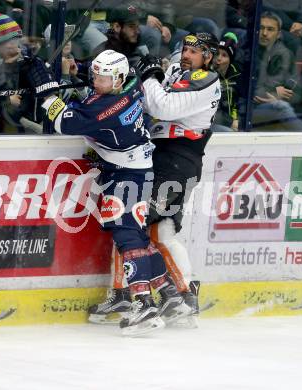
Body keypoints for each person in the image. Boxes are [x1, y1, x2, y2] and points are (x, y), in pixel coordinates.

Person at [26, 49, 192, 336]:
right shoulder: (129, 87)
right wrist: (72, 79)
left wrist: (47, 94)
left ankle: (143, 304)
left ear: (118, 79)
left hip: (127, 175)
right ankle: (168, 293)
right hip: (132, 169)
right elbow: (89, 106)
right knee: (137, 236)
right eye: (95, 75)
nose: (97, 81)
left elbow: (66, 121)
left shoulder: (107, 107)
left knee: (127, 236)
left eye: (103, 77)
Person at [88, 33, 221, 327]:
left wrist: (149, 76)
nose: (186, 54)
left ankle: (148, 293)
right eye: (184, 49)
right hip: (161, 157)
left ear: (208, 57)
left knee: (131, 220)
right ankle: (179, 295)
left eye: (195, 52)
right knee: (159, 230)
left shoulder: (206, 79)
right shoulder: (178, 72)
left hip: (177, 161)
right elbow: (149, 104)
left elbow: (162, 108)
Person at [252, 11, 302, 131]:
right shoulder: (246, 53)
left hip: (273, 107)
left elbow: (297, 94)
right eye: (261, 28)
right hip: (249, 109)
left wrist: (277, 97)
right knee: (281, 108)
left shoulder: (286, 54)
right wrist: (274, 92)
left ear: (279, 34)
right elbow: (248, 89)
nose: (264, 33)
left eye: (270, 29)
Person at [212, 32, 241, 131]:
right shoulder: (207, 73)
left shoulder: (238, 75)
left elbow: (239, 102)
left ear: (230, 60)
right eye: (217, 54)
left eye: (224, 55)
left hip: (232, 122)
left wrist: (236, 119)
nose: (219, 59)